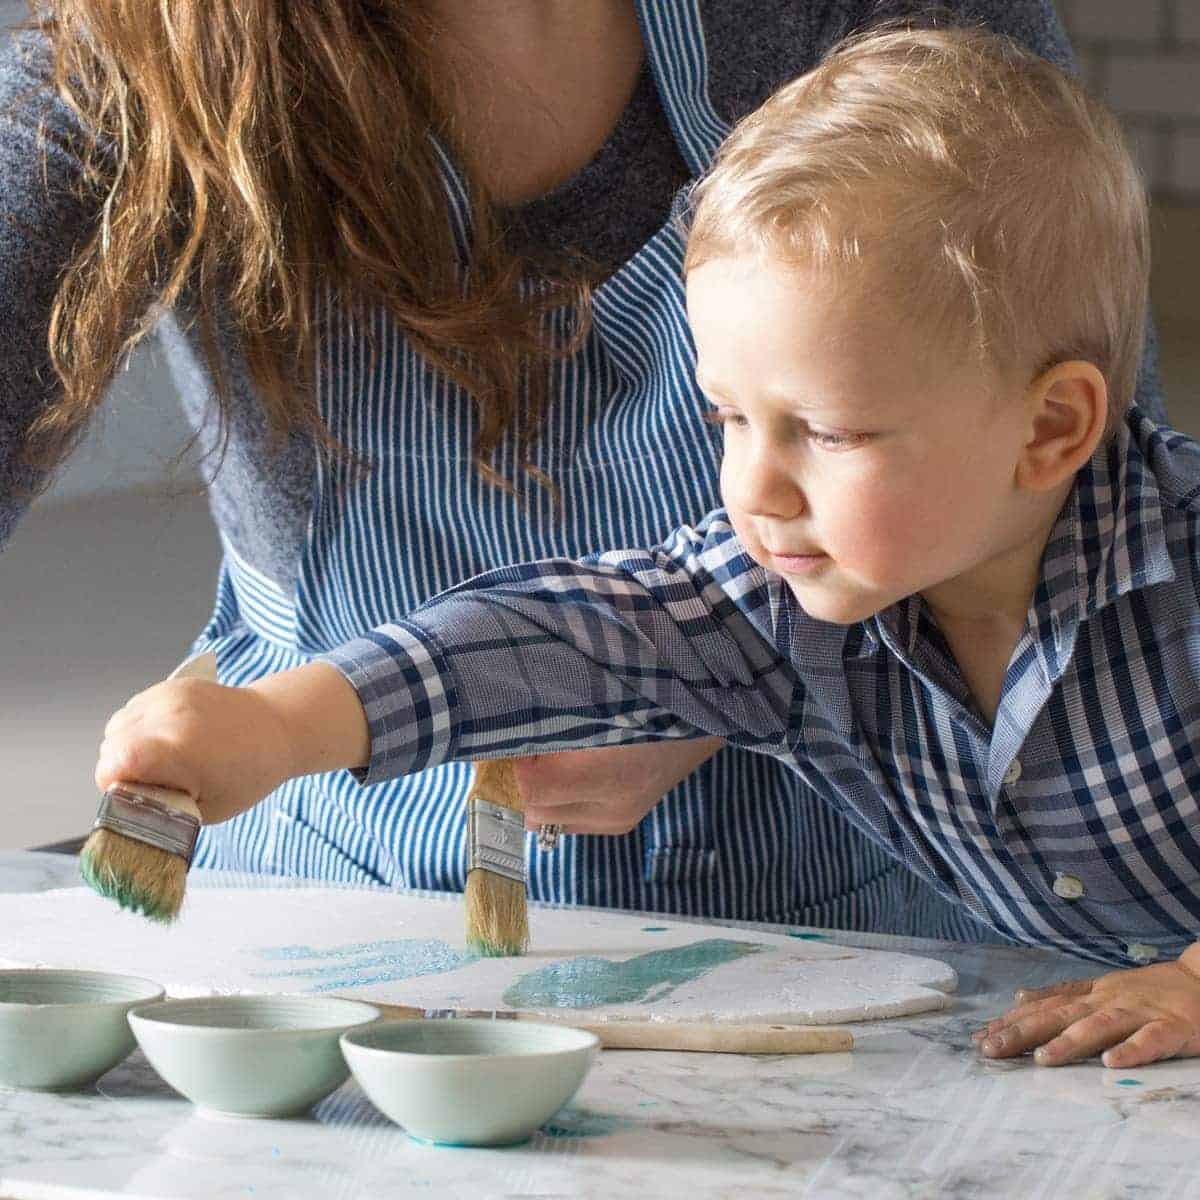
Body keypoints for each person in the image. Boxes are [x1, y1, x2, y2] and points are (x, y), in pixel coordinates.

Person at [94, 24, 1200, 1068]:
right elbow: (567, 634)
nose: (754, 487)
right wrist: (282, 725)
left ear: (1051, 429)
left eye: (825, 431)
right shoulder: (778, 604)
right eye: (729, 418)